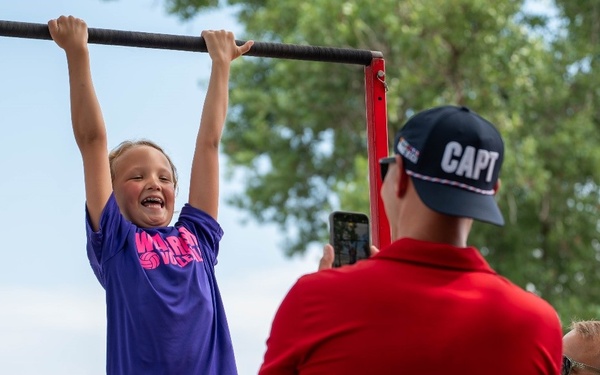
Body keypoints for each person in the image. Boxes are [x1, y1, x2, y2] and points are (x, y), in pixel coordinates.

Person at [259, 105, 563, 374]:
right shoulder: (539, 324)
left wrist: (327, 300)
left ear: (400, 175)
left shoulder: (313, 302)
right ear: (492, 191)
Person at [48, 15, 253, 375]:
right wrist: (76, 52)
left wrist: (221, 65)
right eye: (137, 176)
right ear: (111, 193)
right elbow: (93, 143)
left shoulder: (198, 237)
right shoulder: (115, 240)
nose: (154, 184)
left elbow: (208, 144)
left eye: (164, 177)